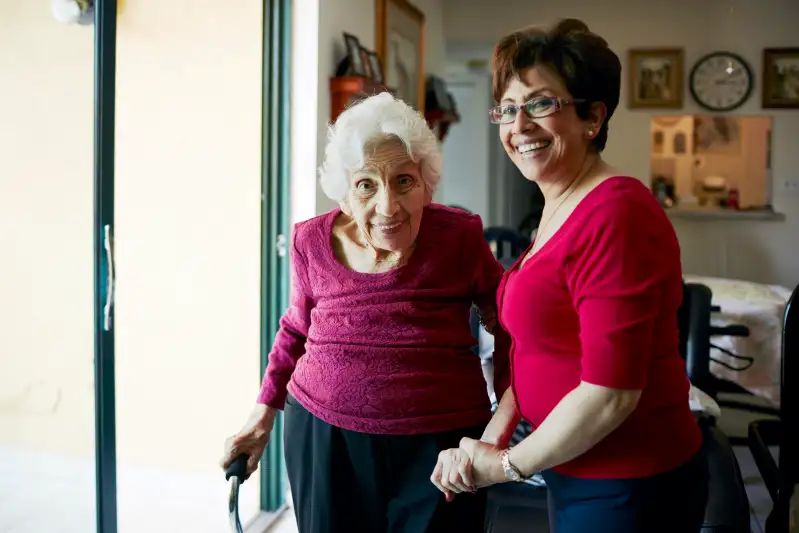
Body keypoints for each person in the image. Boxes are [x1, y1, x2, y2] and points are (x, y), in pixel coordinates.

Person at [430, 18, 708, 533]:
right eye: (508, 110)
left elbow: (611, 392)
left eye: (540, 104)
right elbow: (541, 348)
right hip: (576, 466)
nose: (519, 126)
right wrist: (495, 436)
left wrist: (508, 464)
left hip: (629, 482)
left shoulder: (617, 214)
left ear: (592, 117)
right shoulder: (559, 208)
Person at [220, 92, 510, 533]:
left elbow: (510, 323)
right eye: (366, 184)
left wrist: (501, 426)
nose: (388, 206)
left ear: (427, 182)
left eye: (404, 180)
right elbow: (295, 329)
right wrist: (262, 414)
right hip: (325, 435)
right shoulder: (309, 242)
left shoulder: (459, 237)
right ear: (344, 192)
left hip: (442, 442)